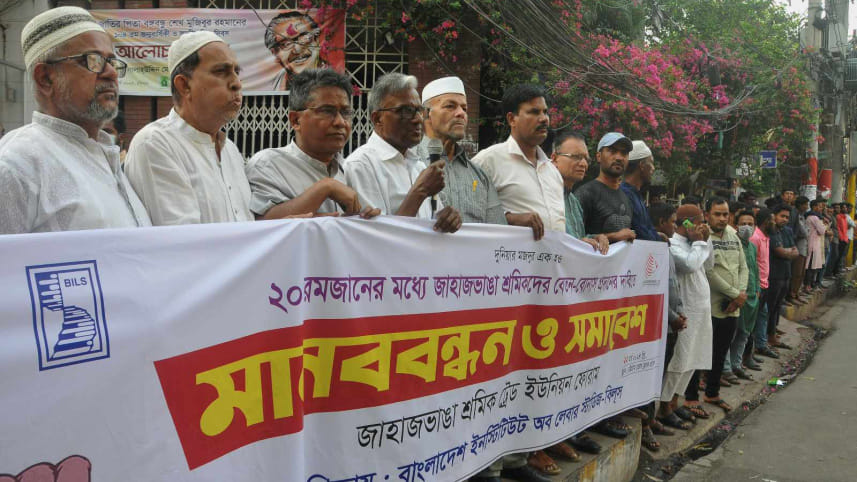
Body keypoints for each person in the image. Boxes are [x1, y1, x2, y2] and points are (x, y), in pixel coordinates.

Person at [0, 6, 150, 233]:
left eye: (111, 62)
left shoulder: (105, 155)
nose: (110, 73)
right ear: (45, 79)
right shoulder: (17, 165)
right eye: (93, 60)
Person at [125, 31, 253, 225]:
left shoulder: (230, 151)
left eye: (237, 71)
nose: (236, 83)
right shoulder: (155, 144)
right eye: (221, 71)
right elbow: (183, 244)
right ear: (184, 85)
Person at [245, 68, 378, 219]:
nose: (340, 122)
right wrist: (325, 188)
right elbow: (262, 224)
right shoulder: (267, 165)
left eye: (346, 112)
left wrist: (366, 219)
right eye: (327, 111)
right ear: (295, 120)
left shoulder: (350, 170)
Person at [345, 73, 461, 232]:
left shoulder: (418, 165)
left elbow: (428, 224)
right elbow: (378, 241)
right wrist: (420, 191)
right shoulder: (361, 166)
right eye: (406, 111)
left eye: (419, 110)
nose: (418, 119)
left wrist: (445, 219)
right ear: (378, 118)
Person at [472, 84, 565, 241]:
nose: (544, 119)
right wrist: (510, 219)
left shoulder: (553, 171)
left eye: (545, 112)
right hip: (507, 262)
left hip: (550, 264)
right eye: (534, 112)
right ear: (512, 119)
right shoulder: (488, 161)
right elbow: (468, 212)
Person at [687, 197, 746, 413]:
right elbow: (709, 271)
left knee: (720, 353)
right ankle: (691, 398)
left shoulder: (732, 234)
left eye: (725, 214)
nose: (722, 218)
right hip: (708, 305)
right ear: (707, 214)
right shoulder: (701, 236)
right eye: (717, 214)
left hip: (733, 307)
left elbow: (743, 265)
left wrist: (740, 294)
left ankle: (712, 394)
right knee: (699, 353)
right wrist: (734, 294)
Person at [420, 76, 505, 225]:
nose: (461, 113)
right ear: (426, 114)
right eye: (450, 106)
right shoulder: (408, 163)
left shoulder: (480, 176)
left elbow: (497, 233)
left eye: (464, 108)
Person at [662, 204, 714, 420]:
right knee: (679, 360)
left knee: (694, 358)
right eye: (700, 220)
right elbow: (690, 264)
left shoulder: (696, 243)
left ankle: (676, 401)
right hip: (686, 309)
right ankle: (663, 406)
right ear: (687, 222)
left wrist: (705, 240)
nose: (703, 225)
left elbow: (709, 264)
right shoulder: (672, 244)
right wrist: (700, 242)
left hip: (701, 308)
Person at [651, 202, 694, 431]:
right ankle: (651, 419)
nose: (675, 226)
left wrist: (679, 314)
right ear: (660, 223)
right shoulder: (654, 247)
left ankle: (655, 415)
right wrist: (671, 316)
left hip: (672, 320)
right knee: (654, 375)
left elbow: (673, 285)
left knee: (664, 370)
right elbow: (654, 289)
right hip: (661, 322)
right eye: (673, 221)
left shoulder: (664, 245)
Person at [549, 130, 609, 253]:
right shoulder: (542, 194)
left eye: (586, 159)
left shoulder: (574, 201)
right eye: (576, 157)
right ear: (554, 159)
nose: (583, 164)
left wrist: (595, 238)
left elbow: (578, 238)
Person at [575, 132, 637, 243]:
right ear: (599, 156)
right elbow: (573, 238)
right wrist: (613, 236)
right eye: (612, 151)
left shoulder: (626, 198)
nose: (619, 157)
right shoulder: (585, 194)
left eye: (624, 153)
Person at [726, 210, 762, 379]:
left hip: (752, 295)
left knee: (745, 333)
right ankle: (726, 369)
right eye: (743, 224)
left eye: (750, 224)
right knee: (730, 334)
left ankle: (736, 364)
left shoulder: (752, 247)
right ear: (735, 226)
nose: (747, 227)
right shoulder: (733, 244)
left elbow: (754, 268)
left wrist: (757, 290)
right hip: (737, 295)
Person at [265, 10, 325, 91]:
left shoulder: (335, 81)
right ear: (275, 53)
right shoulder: (270, 86)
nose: (297, 49)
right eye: (286, 44)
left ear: (317, 40)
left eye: (305, 38)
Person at [765, 205, 797, 351]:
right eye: (782, 216)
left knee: (778, 306)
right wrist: (787, 252)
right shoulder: (771, 231)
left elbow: (795, 251)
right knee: (770, 308)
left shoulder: (787, 231)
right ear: (774, 216)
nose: (784, 219)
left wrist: (787, 252)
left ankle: (773, 332)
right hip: (773, 275)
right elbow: (779, 252)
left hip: (785, 273)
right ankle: (767, 337)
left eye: (786, 217)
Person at [750, 208, 777, 359]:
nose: (775, 223)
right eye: (772, 220)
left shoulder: (766, 237)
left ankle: (760, 345)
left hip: (764, 284)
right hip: (757, 286)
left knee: (762, 315)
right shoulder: (755, 238)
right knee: (753, 320)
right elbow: (753, 264)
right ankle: (750, 352)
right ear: (766, 221)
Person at [620, 140, 659, 241]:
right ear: (642, 165)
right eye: (651, 163)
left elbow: (648, 228)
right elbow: (641, 234)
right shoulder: (625, 195)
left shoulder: (635, 194)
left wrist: (658, 235)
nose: (653, 168)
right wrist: (658, 239)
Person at [788, 196, 810, 305]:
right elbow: (804, 232)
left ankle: (796, 293)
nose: (807, 207)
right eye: (805, 204)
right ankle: (791, 294)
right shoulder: (794, 214)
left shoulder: (801, 215)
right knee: (796, 272)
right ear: (800, 204)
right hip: (798, 247)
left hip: (803, 247)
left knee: (801, 273)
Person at [804, 199, 827, 291]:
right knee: (811, 266)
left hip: (813, 243)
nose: (821, 208)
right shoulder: (814, 217)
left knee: (812, 266)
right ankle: (807, 285)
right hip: (813, 244)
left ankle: (809, 285)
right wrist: (825, 225)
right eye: (820, 206)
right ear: (814, 207)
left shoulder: (810, 216)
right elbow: (822, 230)